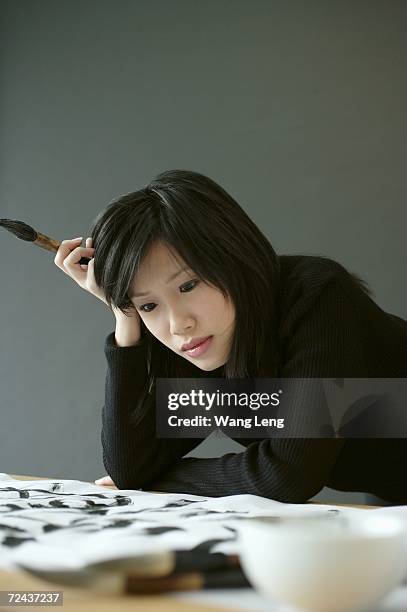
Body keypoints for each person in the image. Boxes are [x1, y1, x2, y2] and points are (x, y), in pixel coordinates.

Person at [54, 169, 407, 504]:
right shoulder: (202, 344)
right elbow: (130, 465)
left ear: (230, 255)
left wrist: (158, 483)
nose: (178, 324)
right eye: (148, 305)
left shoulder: (317, 296)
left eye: (188, 285)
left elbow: (288, 474)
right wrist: (125, 318)